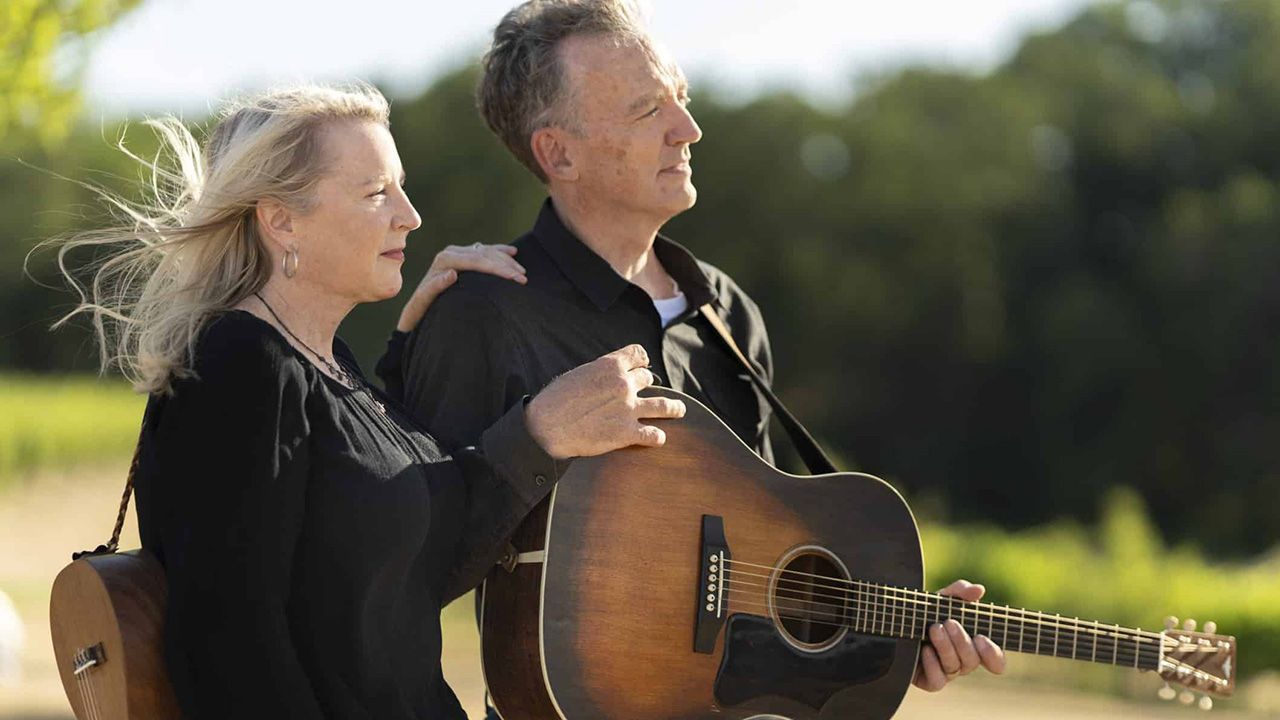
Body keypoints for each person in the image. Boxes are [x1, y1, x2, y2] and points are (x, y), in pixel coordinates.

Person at [376, 0, 1005, 710]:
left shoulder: (729, 313)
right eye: (648, 111)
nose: (689, 129)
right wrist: (534, 438)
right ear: (559, 152)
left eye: (682, 97)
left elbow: (757, 592)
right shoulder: (483, 313)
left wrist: (886, 636)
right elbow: (402, 567)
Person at [45, 83, 685, 720]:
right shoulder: (240, 365)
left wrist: (431, 358)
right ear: (281, 218)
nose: (409, 215)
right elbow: (230, 650)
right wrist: (538, 427)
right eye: (377, 192)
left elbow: (411, 559)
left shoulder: (326, 361)